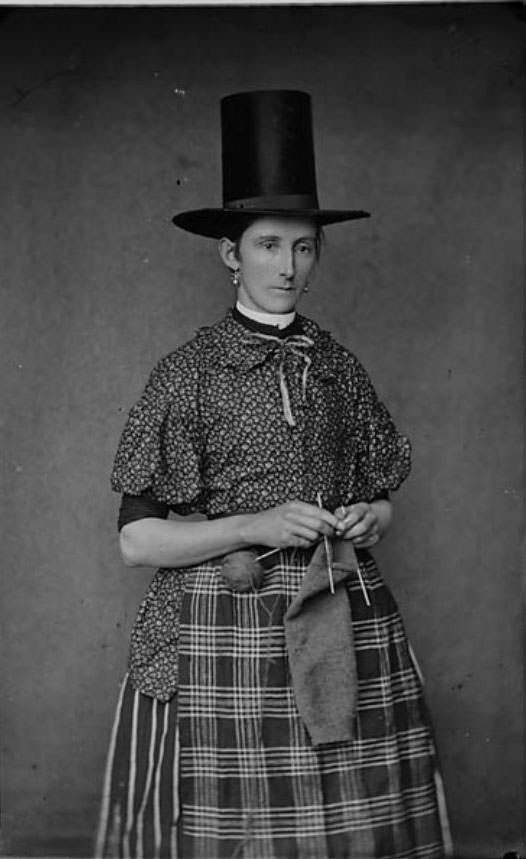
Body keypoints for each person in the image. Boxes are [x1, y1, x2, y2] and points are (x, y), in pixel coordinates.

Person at [95, 90, 452, 859]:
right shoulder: (186, 375)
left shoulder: (337, 367)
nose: (286, 267)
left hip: (340, 619)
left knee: (354, 825)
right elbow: (135, 540)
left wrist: (369, 518)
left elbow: (381, 498)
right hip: (222, 634)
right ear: (231, 254)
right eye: (266, 246)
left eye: (302, 248)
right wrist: (254, 526)